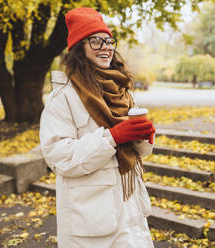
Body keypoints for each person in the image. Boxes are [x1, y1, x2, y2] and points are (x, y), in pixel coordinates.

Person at [39, 7, 156, 248]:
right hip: (92, 222)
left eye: (109, 40)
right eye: (95, 41)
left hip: (130, 212)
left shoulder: (121, 90)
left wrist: (144, 137)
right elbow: (58, 156)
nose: (106, 47)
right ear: (79, 47)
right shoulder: (63, 97)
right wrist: (111, 137)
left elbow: (138, 153)